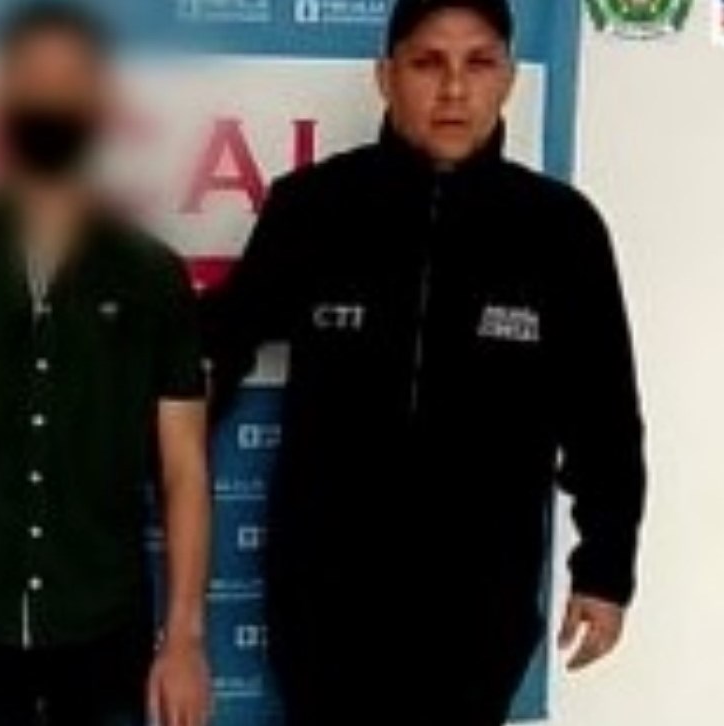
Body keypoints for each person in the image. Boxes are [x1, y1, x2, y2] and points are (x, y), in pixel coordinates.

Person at [202, 0, 647, 724]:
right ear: (386, 76)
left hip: (481, 604)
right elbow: (213, 356)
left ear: (509, 78)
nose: (454, 89)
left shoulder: (561, 230)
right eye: (427, 63)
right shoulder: (312, 209)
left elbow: (605, 419)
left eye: (479, 63)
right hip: (325, 601)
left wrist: (605, 570)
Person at [0, 4, 213, 725]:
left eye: (69, 84)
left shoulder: (154, 274)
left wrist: (183, 639)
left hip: (106, 626)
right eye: (33, 83)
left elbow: (183, 468)